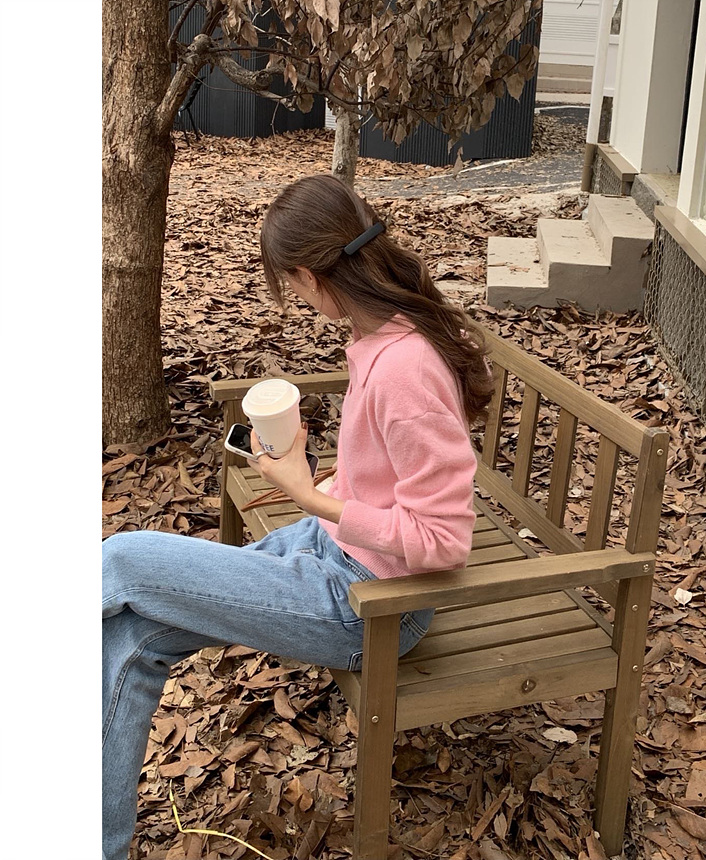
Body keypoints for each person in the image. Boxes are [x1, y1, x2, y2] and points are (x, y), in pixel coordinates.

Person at [102, 174, 496, 860]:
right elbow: (388, 477)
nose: (296, 297)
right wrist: (314, 477)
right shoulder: (385, 333)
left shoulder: (404, 367)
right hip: (330, 552)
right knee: (131, 634)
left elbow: (443, 541)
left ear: (309, 276)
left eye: (289, 284)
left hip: (368, 606)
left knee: (123, 558)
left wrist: (309, 496)